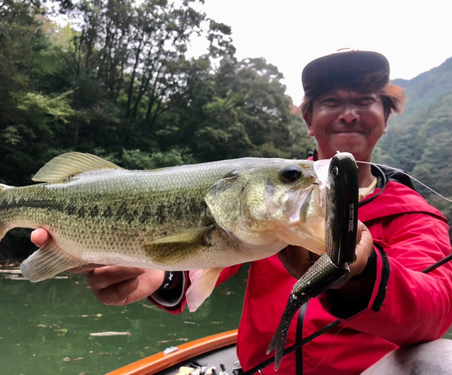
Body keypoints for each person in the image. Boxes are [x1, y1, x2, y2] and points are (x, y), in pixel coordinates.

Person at [31, 50, 452, 374]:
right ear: (308, 118)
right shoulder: (268, 192)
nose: (348, 113)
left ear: (385, 117)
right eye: (330, 101)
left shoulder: (414, 216)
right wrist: (157, 272)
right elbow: (212, 256)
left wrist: (362, 274)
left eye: (364, 100)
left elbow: (432, 314)